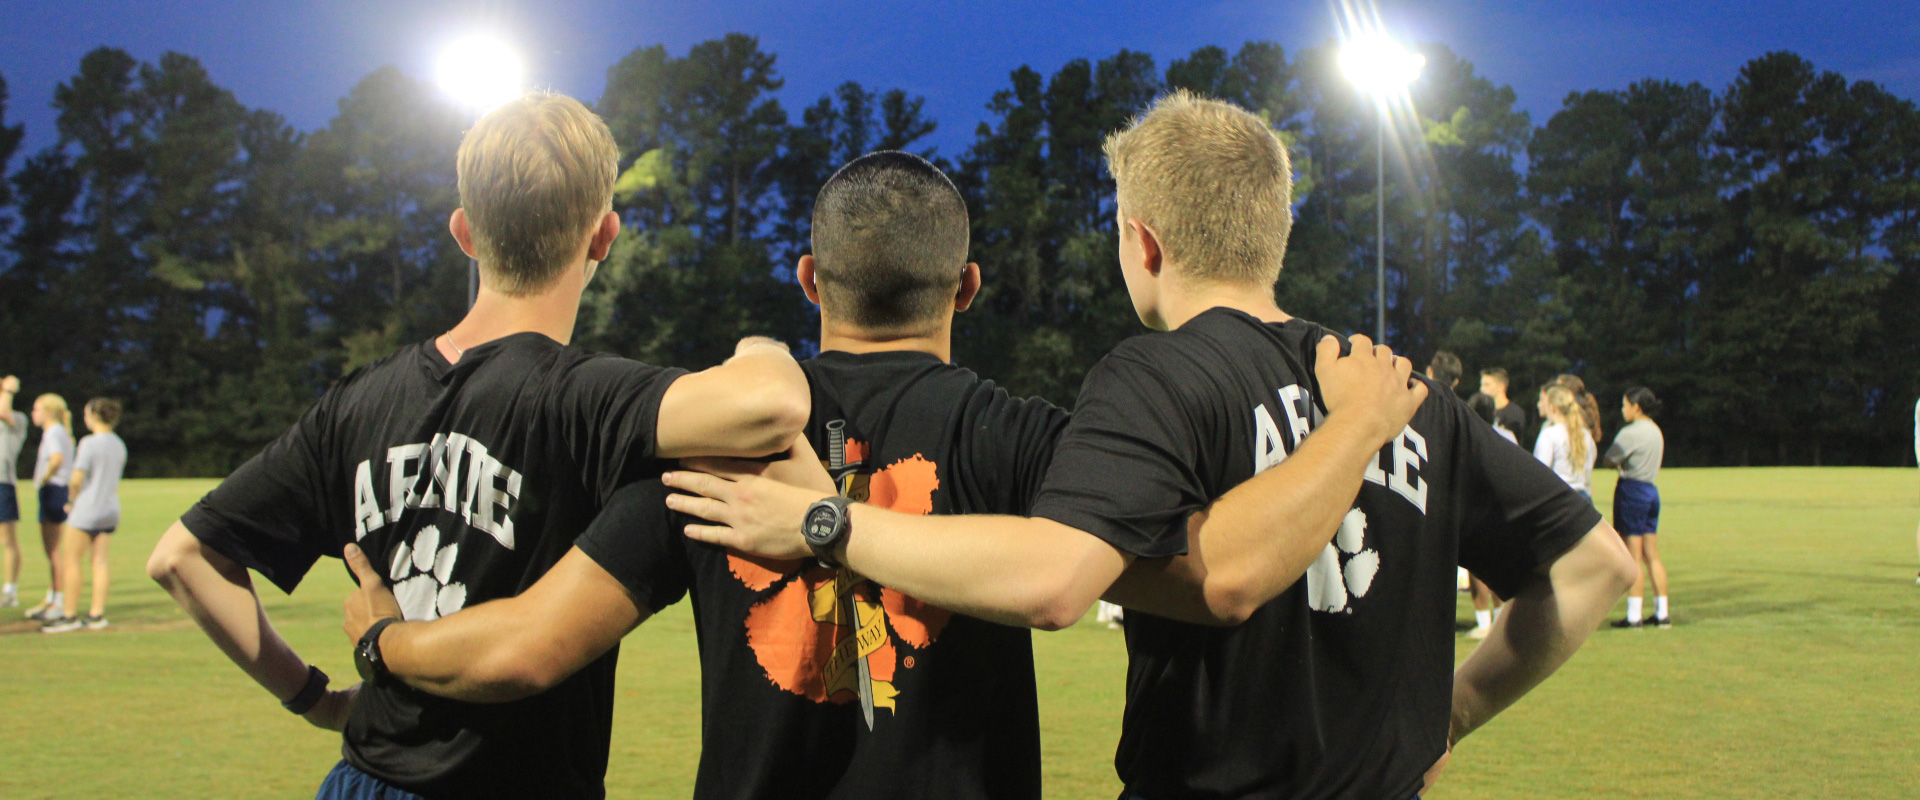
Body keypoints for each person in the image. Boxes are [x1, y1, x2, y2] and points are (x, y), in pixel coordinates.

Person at [336, 149, 1408, 800]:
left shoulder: (717, 448)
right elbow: (1208, 572)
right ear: (971, 286)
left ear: (808, 278)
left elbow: (526, 648)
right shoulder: (1026, 440)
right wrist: (1348, 436)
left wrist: (383, 640)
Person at [664, 92, 1636, 799]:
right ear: (1276, 230)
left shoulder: (1158, 381)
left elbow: (1073, 576)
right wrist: (1449, 714)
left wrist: (820, 507)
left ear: (1144, 241)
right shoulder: (1404, 392)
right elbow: (1594, 568)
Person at [146, 92, 810, 800]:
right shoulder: (583, 397)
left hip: (365, 780)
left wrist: (317, 699)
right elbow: (769, 406)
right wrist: (760, 347)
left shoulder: (353, 403)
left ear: (464, 232)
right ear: (604, 235)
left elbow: (182, 558)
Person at [42, 398, 127, 633]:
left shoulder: (89, 443)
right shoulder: (119, 444)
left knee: (71, 561)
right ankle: (96, 614)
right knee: (99, 561)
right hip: (110, 509)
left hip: (87, 510)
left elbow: (76, 480)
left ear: (94, 416)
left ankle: (69, 615)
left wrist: (70, 502)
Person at [1604, 387, 1670, 629]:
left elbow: (1610, 459)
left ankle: (1634, 615)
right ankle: (1662, 613)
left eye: (1625, 405)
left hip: (1632, 490)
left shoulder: (1630, 432)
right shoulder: (1656, 430)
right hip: (1651, 491)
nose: (1623, 410)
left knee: (1633, 555)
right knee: (1652, 554)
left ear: (1636, 406)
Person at [25, 393, 74, 621]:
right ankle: (52, 597)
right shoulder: (58, 432)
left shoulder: (54, 432)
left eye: (37, 409)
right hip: (56, 491)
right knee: (52, 550)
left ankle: (59, 600)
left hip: (53, 490)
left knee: (54, 550)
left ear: (48, 411)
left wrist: (44, 479)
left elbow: (56, 459)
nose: (34, 413)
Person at [1535, 384, 1595, 500]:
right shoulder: (1585, 434)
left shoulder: (1549, 434)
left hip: (1559, 497)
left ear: (1552, 408)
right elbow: (1588, 467)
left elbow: (1541, 471)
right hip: (1583, 498)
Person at [0, 375, 25, 607]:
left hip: (2, 483)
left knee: (7, 539)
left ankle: (10, 590)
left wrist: (8, 391)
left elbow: (4, 413)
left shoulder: (17, 419)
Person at [1478, 368, 1526, 440]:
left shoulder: (1514, 413)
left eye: (1487, 385)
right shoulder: (1481, 411)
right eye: (1481, 385)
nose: (1482, 389)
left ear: (1501, 387)